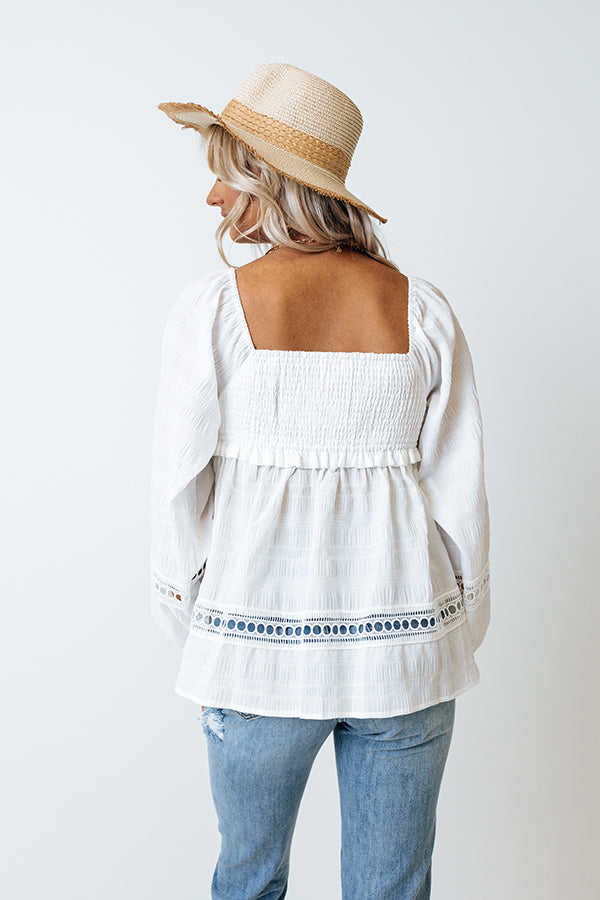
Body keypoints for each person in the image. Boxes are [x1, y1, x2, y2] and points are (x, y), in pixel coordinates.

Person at [152, 62, 491, 900]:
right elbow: (461, 499)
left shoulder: (213, 311)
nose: (212, 199)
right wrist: (455, 629)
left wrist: (192, 619)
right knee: (392, 889)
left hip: (257, 654)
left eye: (226, 179)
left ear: (270, 183)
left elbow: (177, 493)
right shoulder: (423, 309)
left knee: (248, 881)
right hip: (405, 655)